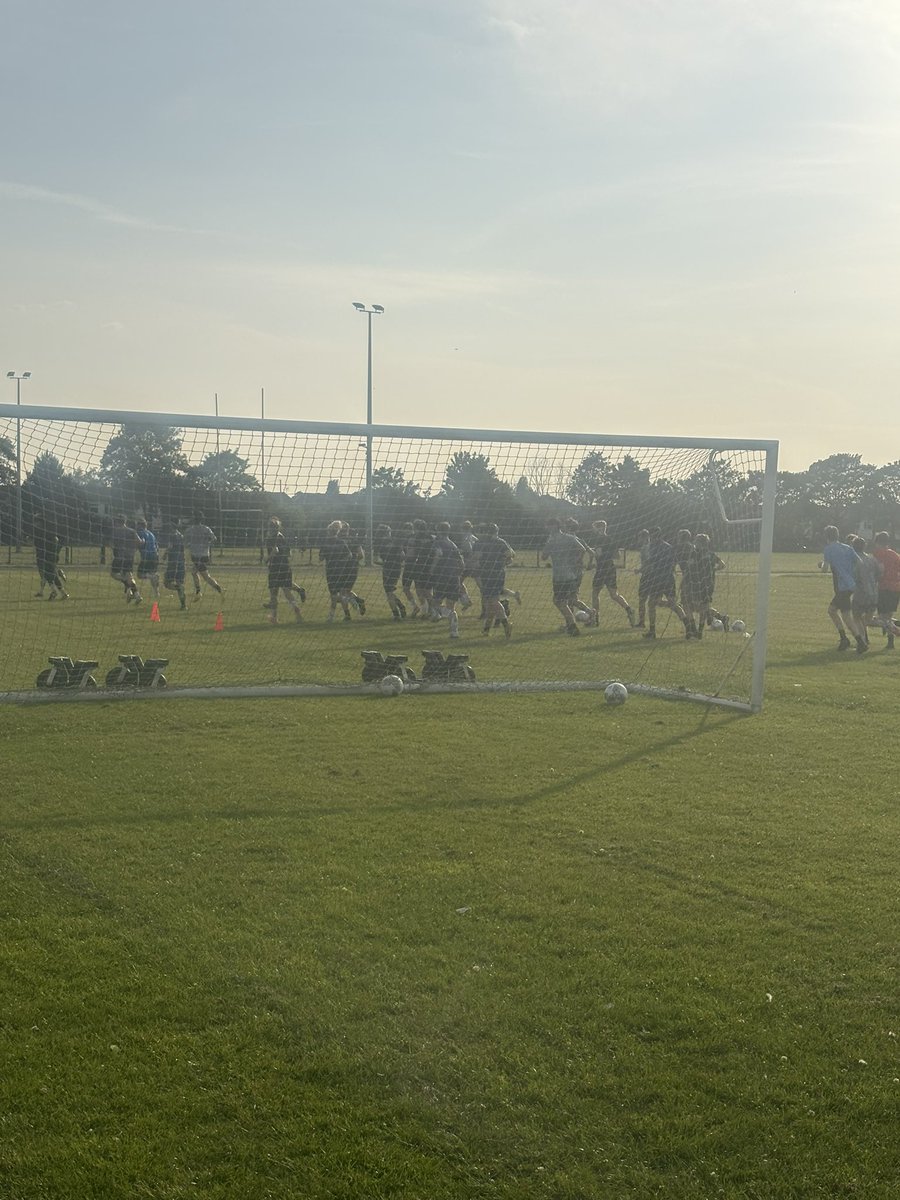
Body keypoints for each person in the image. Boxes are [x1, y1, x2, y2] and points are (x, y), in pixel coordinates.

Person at [540, 518, 594, 636]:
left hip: (560, 576)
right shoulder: (570, 538)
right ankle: (572, 624)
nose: (547, 528)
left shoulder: (552, 540)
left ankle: (572, 625)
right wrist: (576, 561)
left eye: (548, 526)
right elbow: (582, 549)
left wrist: (548, 547)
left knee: (560, 602)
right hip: (571, 574)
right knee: (568, 600)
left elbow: (543, 557)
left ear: (551, 527)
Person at [820, 526, 866, 653]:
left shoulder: (828, 549)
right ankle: (856, 641)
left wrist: (821, 565)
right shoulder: (847, 548)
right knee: (845, 615)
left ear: (826, 536)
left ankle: (848, 639)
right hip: (850, 585)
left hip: (841, 586)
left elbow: (825, 569)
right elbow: (860, 562)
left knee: (832, 611)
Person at [641, 527, 689, 640]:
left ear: (652, 536)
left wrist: (644, 568)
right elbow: (674, 562)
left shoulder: (652, 547)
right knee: (672, 603)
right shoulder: (669, 546)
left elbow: (650, 561)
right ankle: (688, 625)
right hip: (669, 577)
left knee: (651, 604)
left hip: (657, 578)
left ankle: (652, 631)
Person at [589, 520, 635, 628]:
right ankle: (629, 609)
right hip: (610, 567)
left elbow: (598, 554)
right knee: (614, 595)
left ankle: (595, 620)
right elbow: (617, 556)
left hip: (602, 569)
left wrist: (591, 552)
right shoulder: (611, 539)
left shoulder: (599, 539)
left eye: (595, 528)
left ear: (599, 528)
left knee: (595, 593)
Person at [681, 534, 726, 638]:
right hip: (708, 584)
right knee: (703, 607)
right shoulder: (711, 554)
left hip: (695, 583)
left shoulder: (693, 553)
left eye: (696, 541)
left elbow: (689, 569)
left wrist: (683, 582)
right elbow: (722, 565)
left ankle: (693, 628)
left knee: (687, 605)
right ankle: (700, 632)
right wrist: (714, 570)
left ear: (699, 543)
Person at [473, 524, 514, 637]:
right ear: (497, 531)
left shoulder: (480, 542)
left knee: (492, 601)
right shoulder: (501, 542)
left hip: (487, 574)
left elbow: (476, 558)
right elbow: (510, 558)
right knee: (490, 601)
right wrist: (501, 564)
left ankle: (506, 624)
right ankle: (486, 629)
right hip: (499, 573)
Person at [263, 517, 303, 624]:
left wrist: (267, 559)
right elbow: (289, 553)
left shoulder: (271, 539)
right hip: (286, 566)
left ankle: (274, 618)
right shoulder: (282, 537)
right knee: (287, 592)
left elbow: (273, 553)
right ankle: (297, 612)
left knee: (273, 594)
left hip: (275, 568)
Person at [431, 522, 466, 638]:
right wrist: (457, 576)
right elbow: (462, 564)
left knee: (435, 603)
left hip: (441, 576)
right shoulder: (453, 544)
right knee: (451, 605)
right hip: (453, 578)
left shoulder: (437, 542)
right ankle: (454, 632)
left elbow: (438, 554)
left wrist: (432, 569)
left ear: (438, 530)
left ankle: (441, 614)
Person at [319, 520, 356, 621]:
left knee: (333, 595)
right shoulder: (341, 542)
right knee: (342, 593)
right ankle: (347, 614)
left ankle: (331, 616)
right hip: (341, 570)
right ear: (338, 531)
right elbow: (349, 555)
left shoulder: (325, 542)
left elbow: (321, 558)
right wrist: (341, 561)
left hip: (331, 570)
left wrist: (328, 556)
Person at [848, 535, 881, 648]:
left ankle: (862, 642)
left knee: (856, 617)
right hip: (874, 594)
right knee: (867, 619)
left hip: (861, 594)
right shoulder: (872, 559)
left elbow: (855, 578)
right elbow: (879, 574)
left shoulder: (855, 561)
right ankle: (889, 625)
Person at [184, 512, 224, 600]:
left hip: (196, 555)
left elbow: (186, 542)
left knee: (205, 576)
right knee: (195, 572)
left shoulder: (190, 529)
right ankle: (200, 591)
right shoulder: (206, 528)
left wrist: (190, 544)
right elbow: (214, 539)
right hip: (205, 555)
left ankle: (216, 588)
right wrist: (207, 543)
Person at [872, 531, 900, 649]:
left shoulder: (877, 554)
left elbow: (874, 570)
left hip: (882, 587)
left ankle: (893, 635)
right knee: (888, 615)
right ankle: (890, 640)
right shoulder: (895, 555)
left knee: (883, 617)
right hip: (895, 588)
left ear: (878, 542)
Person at [32, 514, 69, 600]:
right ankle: (61, 593)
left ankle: (56, 592)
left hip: (47, 556)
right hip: (46, 556)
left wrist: (53, 552)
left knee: (49, 574)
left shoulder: (43, 532)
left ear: (40, 522)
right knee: (50, 575)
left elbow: (55, 540)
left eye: (36, 521)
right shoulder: (42, 531)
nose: (34, 523)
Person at [374, 524, 406, 620]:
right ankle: (400, 606)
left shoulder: (379, 543)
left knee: (388, 592)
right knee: (390, 591)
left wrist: (384, 563)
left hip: (387, 568)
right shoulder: (395, 541)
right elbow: (403, 556)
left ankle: (396, 614)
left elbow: (375, 560)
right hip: (396, 568)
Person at [110, 514, 143, 604]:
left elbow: (112, 544)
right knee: (129, 575)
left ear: (116, 522)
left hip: (119, 557)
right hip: (129, 557)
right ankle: (137, 595)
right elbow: (139, 542)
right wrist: (137, 545)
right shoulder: (132, 531)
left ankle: (126, 583)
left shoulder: (115, 531)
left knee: (113, 574)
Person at [409, 519, 437, 618]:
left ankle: (429, 611)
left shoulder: (415, 538)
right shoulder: (432, 537)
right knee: (428, 591)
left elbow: (412, 554)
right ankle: (429, 611)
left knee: (420, 590)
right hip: (430, 566)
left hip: (420, 566)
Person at [339, 523, 366, 615]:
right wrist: (354, 561)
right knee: (347, 590)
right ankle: (359, 601)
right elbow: (361, 555)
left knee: (342, 592)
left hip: (341, 568)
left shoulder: (338, 540)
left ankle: (347, 614)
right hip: (353, 568)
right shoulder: (355, 540)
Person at [163, 519, 187, 609]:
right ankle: (183, 605)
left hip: (173, 562)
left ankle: (177, 588)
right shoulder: (181, 536)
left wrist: (165, 555)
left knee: (166, 583)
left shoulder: (172, 536)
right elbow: (183, 549)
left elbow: (170, 546)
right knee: (179, 582)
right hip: (181, 562)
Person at [135, 518, 161, 599]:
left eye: (137, 524)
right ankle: (157, 593)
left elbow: (141, 542)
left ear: (140, 525)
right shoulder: (151, 533)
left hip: (147, 556)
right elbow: (157, 546)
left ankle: (152, 577)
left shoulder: (140, 533)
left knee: (140, 575)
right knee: (152, 573)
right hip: (155, 556)